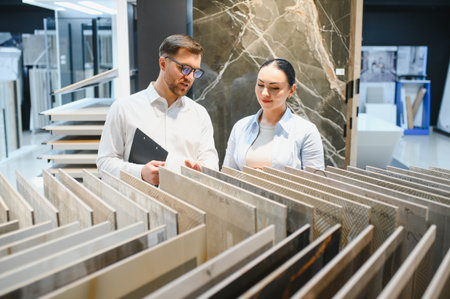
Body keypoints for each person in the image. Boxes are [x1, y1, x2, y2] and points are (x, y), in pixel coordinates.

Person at [97, 34, 219, 185]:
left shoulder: (200, 114)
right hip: (139, 203)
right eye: (184, 68)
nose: (190, 77)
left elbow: (211, 159)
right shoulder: (123, 108)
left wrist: (202, 168)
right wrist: (140, 173)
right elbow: (104, 163)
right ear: (163, 63)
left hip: (187, 203)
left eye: (195, 71)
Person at [223, 58, 324, 171]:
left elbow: (314, 184)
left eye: (274, 88)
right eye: (260, 85)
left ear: (291, 90)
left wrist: (268, 180)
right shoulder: (240, 127)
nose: (265, 93)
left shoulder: (306, 131)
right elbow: (227, 174)